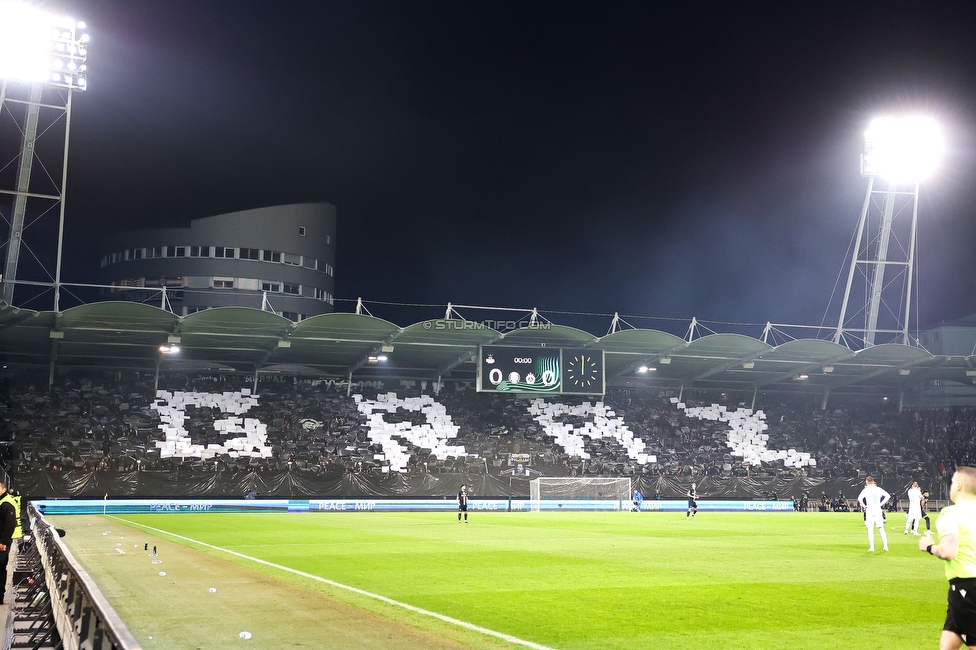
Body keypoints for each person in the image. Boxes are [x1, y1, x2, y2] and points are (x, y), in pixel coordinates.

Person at [918, 466, 976, 650]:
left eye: (952, 482)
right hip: (964, 590)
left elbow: (948, 552)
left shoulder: (951, 513)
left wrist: (928, 546)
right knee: (947, 646)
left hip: (966, 586)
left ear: (958, 485)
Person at [858, 476, 890, 552]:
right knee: (881, 528)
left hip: (870, 510)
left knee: (870, 529)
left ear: (866, 482)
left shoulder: (866, 490)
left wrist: (864, 505)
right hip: (877, 510)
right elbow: (888, 496)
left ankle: (872, 547)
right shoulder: (878, 489)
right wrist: (881, 503)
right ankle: (885, 546)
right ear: (873, 481)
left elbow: (859, 498)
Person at [0, 481, 19, 604]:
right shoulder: (3, 501)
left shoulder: (6, 503)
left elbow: (10, 525)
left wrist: (4, 543)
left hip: (2, 543)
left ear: (3, 488)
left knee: (1, 569)